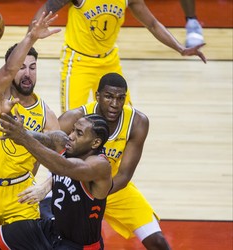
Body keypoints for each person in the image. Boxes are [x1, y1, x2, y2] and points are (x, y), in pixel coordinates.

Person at [25, 73, 172, 249]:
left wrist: (95, 196)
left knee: (158, 242)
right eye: (109, 97)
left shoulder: (137, 122)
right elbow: (47, 152)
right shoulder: (73, 119)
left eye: (120, 98)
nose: (115, 104)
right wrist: (43, 184)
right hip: (71, 187)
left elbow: (124, 175)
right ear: (98, 96)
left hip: (113, 187)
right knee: (53, 238)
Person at [0, 12, 61, 250]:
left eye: (33, 67)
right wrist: (31, 38)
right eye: (22, 67)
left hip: (21, 195)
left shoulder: (46, 115)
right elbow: (6, 70)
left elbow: (65, 161)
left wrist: (44, 187)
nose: (27, 74)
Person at [0, 93, 112, 249]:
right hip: (51, 230)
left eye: (79, 134)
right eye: (73, 130)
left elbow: (65, 167)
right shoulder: (61, 141)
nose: (71, 136)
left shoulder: (100, 166)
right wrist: (6, 116)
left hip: (78, 245)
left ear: (95, 143)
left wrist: (23, 138)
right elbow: (26, 135)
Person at [30, 0, 207, 112]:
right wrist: (26, 44)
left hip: (109, 61)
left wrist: (180, 48)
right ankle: (63, 170)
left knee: (125, 117)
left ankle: (112, 168)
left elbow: (152, 24)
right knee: (71, 122)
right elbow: (46, 8)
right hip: (78, 63)